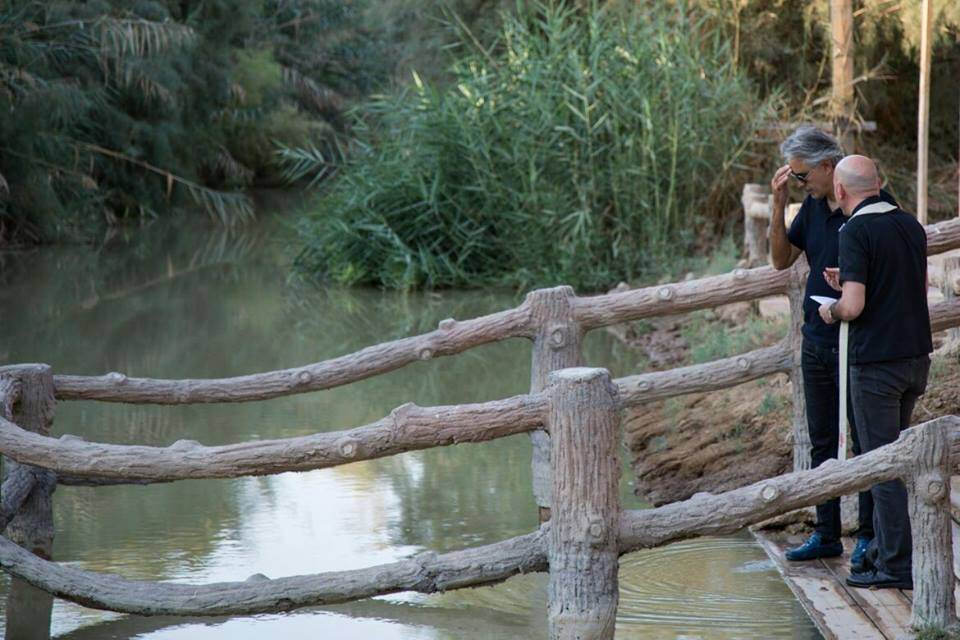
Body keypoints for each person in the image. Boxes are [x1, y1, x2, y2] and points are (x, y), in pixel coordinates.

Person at [769, 126, 895, 569]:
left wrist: (855, 281)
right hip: (817, 337)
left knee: (864, 439)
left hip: (858, 341)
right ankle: (825, 532)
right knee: (822, 438)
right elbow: (780, 260)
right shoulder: (812, 207)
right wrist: (780, 202)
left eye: (803, 177)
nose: (801, 183)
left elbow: (893, 267)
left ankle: (867, 535)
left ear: (828, 167)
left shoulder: (870, 207)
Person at [818, 154, 931, 590]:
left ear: (841, 191)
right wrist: (848, 278)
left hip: (876, 365)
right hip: (914, 359)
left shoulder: (855, 230)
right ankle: (885, 552)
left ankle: (896, 566)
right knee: (895, 460)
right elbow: (908, 287)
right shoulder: (910, 225)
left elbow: (855, 306)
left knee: (883, 467)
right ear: (879, 183)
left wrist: (832, 309)